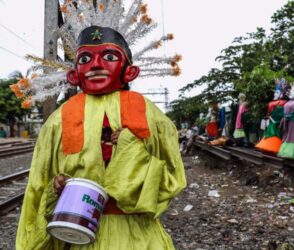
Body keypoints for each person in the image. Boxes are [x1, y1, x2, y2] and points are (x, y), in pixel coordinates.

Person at [16, 2, 186, 250]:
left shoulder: (150, 113)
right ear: (74, 74)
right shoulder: (58, 119)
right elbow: (38, 184)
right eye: (85, 59)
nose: (96, 66)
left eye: (109, 57)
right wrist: (57, 188)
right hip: (78, 235)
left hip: (138, 237)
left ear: (129, 71)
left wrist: (130, 151)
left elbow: (174, 178)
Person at [255, 79, 289, 154]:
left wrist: (270, 117)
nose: (274, 94)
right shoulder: (280, 103)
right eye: (275, 92)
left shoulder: (281, 104)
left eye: (277, 93)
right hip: (273, 124)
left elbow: (276, 116)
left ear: (281, 94)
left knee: (273, 132)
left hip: (275, 125)